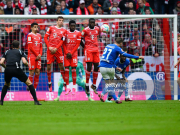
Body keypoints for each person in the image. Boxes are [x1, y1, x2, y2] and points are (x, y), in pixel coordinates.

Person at [98, 37, 144, 104]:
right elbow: (125, 54)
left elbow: (109, 58)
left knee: (110, 84)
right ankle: (113, 98)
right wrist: (138, 57)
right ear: (121, 43)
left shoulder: (108, 45)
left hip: (101, 66)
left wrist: (116, 67)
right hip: (109, 67)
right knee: (112, 84)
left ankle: (107, 96)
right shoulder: (117, 48)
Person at [0, 40, 41, 105]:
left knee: (6, 84)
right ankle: (36, 101)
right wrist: (27, 65)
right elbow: (24, 62)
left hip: (8, 69)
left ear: (12, 46)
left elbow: (1, 62)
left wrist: (6, 67)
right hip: (17, 69)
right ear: (18, 46)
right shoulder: (20, 51)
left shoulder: (7, 52)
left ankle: (1, 101)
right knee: (29, 83)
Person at [44, 16, 66, 92]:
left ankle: (65, 83)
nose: (61, 21)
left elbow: (62, 41)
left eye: (62, 20)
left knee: (61, 66)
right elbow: (45, 37)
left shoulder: (64, 30)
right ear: (56, 21)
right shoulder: (51, 28)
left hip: (58, 50)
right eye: (60, 20)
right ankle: (49, 83)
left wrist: (56, 48)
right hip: (50, 50)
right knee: (49, 67)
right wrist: (49, 47)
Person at [81, 18, 100, 95]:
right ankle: (87, 85)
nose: (92, 24)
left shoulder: (97, 29)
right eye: (91, 22)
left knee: (96, 67)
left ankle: (94, 85)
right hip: (88, 50)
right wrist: (84, 46)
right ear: (89, 23)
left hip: (96, 50)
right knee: (89, 67)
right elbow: (80, 39)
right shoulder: (85, 30)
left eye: (93, 22)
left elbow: (97, 37)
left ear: (95, 23)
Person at [63, 20, 81, 95]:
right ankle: (67, 87)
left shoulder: (78, 33)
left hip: (73, 54)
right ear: (69, 26)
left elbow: (77, 45)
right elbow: (63, 44)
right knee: (66, 70)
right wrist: (67, 53)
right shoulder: (65, 32)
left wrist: (71, 52)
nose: (73, 27)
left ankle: (73, 87)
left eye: (74, 26)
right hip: (66, 54)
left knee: (74, 69)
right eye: (71, 25)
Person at [27, 23, 42, 91]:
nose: (36, 28)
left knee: (37, 72)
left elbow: (41, 46)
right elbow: (30, 47)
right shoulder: (29, 35)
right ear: (31, 28)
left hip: (38, 56)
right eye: (35, 27)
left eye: (37, 27)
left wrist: (40, 55)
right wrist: (37, 55)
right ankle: (30, 87)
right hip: (32, 56)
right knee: (32, 72)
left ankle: (34, 89)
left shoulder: (39, 35)